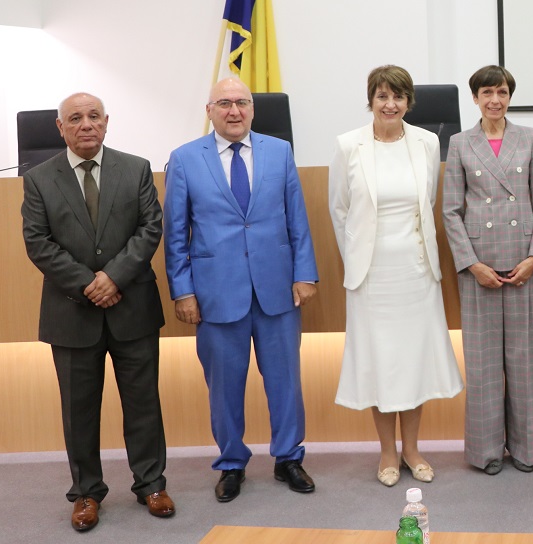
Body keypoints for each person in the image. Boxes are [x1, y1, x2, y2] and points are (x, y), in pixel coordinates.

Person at [21, 92, 174, 532]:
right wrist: (89, 283)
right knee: (79, 411)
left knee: (143, 404)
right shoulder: (39, 179)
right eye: (75, 118)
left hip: (133, 307)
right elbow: (38, 242)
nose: (86, 124)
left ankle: (151, 485)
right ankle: (86, 493)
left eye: (93, 116)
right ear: (60, 127)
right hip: (72, 311)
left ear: (106, 122)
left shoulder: (136, 168)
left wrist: (115, 277)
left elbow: (150, 228)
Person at [163, 77, 319, 502]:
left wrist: (304, 274)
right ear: (209, 110)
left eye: (242, 103)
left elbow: (297, 219)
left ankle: (289, 458)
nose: (234, 111)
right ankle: (231, 463)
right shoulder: (184, 159)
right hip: (215, 293)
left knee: (286, 382)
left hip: (277, 289)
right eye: (225, 103)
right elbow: (175, 233)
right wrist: (183, 291)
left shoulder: (279, 151)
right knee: (224, 387)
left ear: (252, 108)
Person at [329, 65, 463, 487]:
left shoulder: (426, 142)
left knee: (413, 363)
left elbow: (428, 204)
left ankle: (413, 449)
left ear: (409, 102)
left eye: (398, 97)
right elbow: (339, 210)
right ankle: (387, 451)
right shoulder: (348, 145)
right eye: (382, 96)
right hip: (371, 276)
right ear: (370, 100)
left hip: (416, 271)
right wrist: (355, 262)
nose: (390, 104)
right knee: (380, 363)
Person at [442, 65, 533, 474]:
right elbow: (451, 211)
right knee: (484, 365)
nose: (495, 100)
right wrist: (471, 264)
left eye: (502, 92)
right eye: (487, 92)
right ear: (475, 98)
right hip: (479, 267)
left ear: (509, 96)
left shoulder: (529, 137)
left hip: (523, 264)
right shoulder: (460, 142)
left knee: (525, 364)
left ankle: (527, 450)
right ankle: (486, 452)